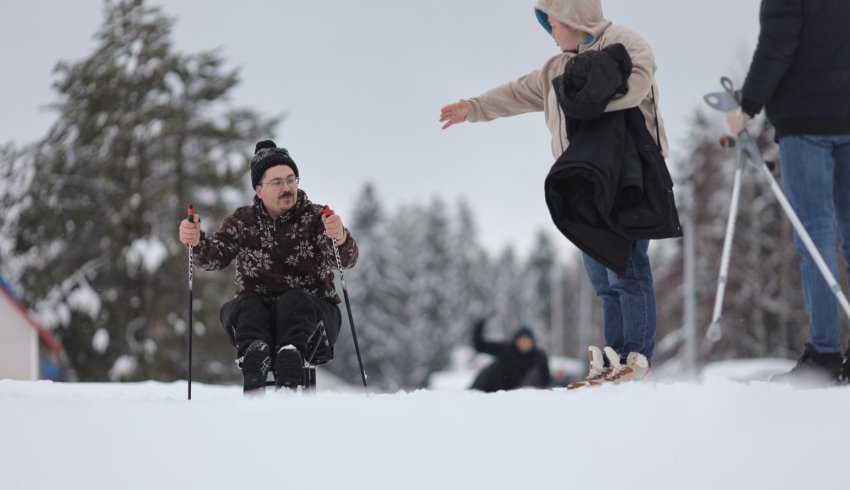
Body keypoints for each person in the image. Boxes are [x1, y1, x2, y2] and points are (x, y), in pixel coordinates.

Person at [440, 0, 672, 387]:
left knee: (629, 270)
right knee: (603, 280)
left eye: (552, 22)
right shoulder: (556, 69)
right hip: (585, 184)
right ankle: (615, 357)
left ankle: (637, 357)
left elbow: (638, 84)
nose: (549, 31)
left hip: (629, 176)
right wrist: (474, 107)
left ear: (573, 18)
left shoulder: (624, 41)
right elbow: (517, 92)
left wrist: (587, 91)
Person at [727, 0, 850, 386]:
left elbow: (778, 46)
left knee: (814, 234)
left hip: (805, 122)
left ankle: (825, 354)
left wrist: (746, 108)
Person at [178, 140, 358, 394]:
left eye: (291, 179)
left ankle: (290, 357)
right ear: (259, 190)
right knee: (245, 305)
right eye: (277, 182)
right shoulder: (242, 221)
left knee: (293, 300)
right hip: (259, 321)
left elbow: (346, 260)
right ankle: (255, 356)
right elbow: (213, 258)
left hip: (312, 319)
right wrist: (196, 241)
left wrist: (339, 237)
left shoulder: (317, 218)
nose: (287, 187)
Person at [470, 318, 552, 392]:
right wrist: (479, 327)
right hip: (502, 394)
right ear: (516, 340)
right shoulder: (507, 350)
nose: (524, 342)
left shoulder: (539, 357)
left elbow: (547, 381)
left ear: (532, 341)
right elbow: (480, 346)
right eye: (521, 339)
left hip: (529, 395)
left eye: (526, 339)